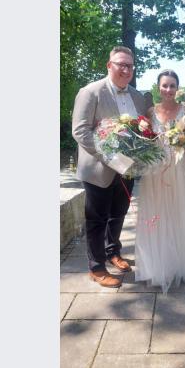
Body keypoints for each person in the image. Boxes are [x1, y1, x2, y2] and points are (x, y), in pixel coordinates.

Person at [71, 46, 152, 288]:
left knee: (119, 212)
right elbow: (80, 131)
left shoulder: (138, 97)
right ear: (109, 65)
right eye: (120, 64)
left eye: (129, 65)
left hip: (127, 169)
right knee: (97, 218)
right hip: (98, 168)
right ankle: (96, 267)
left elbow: (143, 131)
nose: (126, 69)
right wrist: (111, 157)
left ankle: (112, 251)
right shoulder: (90, 92)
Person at [134, 70, 185, 293]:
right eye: (164, 85)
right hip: (155, 170)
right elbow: (146, 140)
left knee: (179, 212)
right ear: (158, 87)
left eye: (172, 86)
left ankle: (181, 261)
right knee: (156, 213)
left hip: (179, 169)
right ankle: (158, 263)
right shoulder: (149, 111)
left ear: (177, 88)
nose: (168, 90)